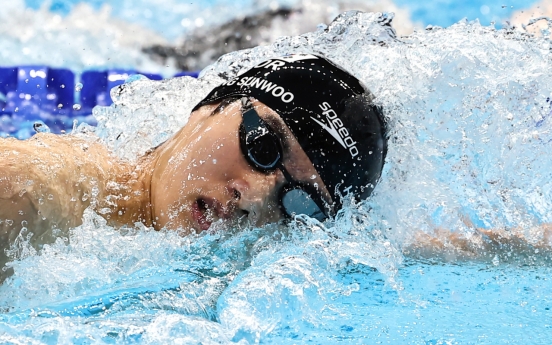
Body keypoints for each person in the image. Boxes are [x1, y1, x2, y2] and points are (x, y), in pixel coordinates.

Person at [0, 54, 388, 275]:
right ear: (211, 104)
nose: (253, 196)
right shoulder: (34, 194)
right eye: (263, 147)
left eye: (299, 203)